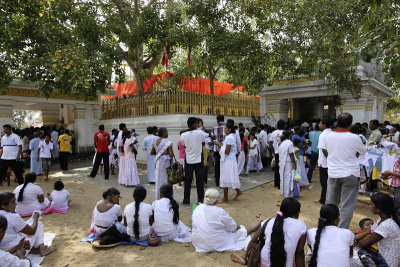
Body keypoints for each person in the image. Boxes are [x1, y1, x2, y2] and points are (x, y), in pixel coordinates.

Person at [231, 198, 306, 267]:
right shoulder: (301, 226)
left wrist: (246, 254)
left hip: (264, 263)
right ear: (295, 214)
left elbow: (253, 240)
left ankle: (244, 259)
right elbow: (299, 253)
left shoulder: (268, 222)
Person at [326, 113, 366, 229]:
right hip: (350, 174)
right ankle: (342, 229)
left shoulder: (329, 136)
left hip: (333, 173)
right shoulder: (355, 137)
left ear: (337, 123)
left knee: (331, 203)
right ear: (350, 124)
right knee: (347, 205)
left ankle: (329, 228)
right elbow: (363, 151)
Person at [192, 188, 252, 252]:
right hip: (214, 244)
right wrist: (238, 227)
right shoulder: (219, 211)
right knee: (242, 230)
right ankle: (258, 226)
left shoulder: (198, 208)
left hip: (198, 241)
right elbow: (232, 228)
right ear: (217, 200)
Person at [356, 193, 400, 267]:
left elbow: (364, 244)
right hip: (382, 255)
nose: (370, 207)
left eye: (371, 205)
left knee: (359, 254)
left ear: (378, 209)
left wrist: (356, 239)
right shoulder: (383, 219)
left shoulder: (386, 225)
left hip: (386, 263)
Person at [214, 122, 242, 202]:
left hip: (228, 159)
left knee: (225, 177)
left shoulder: (230, 138)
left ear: (230, 129)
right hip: (229, 159)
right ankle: (237, 191)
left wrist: (219, 144)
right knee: (229, 176)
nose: (224, 130)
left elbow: (227, 151)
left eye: (226, 128)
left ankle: (226, 197)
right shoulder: (229, 136)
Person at [181, 117, 206, 205]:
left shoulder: (183, 135)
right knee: (200, 181)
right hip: (199, 158)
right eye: (196, 123)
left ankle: (186, 200)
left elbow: (184, 146)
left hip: (189, 159)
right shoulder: (200, 133)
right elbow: (203, 144)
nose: (197, 125)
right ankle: (200, 200)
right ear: (193, 124)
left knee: (187, 181)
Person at [151, 127, 174, 200]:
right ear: (164, 133)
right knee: (166, 179)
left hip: (158, 162)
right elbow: (171, 154)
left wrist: (159, 153)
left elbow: (152, 152)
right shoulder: (167, 142)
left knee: (158, 179)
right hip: (165, 163)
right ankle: (167, 197)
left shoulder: (155, 141)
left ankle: (159, 196)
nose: (167, 133)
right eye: (167, 132)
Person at [316, 119, 332, 204]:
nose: (319, 125)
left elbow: (323, 149)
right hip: (331, 162)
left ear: (324, 124)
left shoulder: (323, 135)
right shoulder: (332, 133)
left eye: (320, 123)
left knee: (324, 182)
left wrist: (330, 159)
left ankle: (323, 200)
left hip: (325, 163)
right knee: (330, 182)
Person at [278, 131, 297, 197]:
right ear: (289, 136)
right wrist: (294, 163)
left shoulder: (281, 143)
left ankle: (283, 192)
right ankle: (288, 194)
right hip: (288, 163)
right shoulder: (289, 143)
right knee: (288, 178)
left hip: (282, 162)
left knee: (283, 177)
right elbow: (291, 154)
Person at [269, 120, 285, 188]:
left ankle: (276, 183)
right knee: (283, 168)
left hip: (276, 153)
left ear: (277, 125)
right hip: (283, 153)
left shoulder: (273, 133)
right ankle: (281, 183)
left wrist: (273, 151)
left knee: (277, 168)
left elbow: (270, 144)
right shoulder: (285, 133)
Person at [211, 115, 225, 187]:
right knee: (224, 165)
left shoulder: (214, 128)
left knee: (217, 166)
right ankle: (224, 182)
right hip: (225, 149)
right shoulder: (226, 128)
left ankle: (217, 182)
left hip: (216, 149)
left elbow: (212, 139)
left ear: (217, 120)